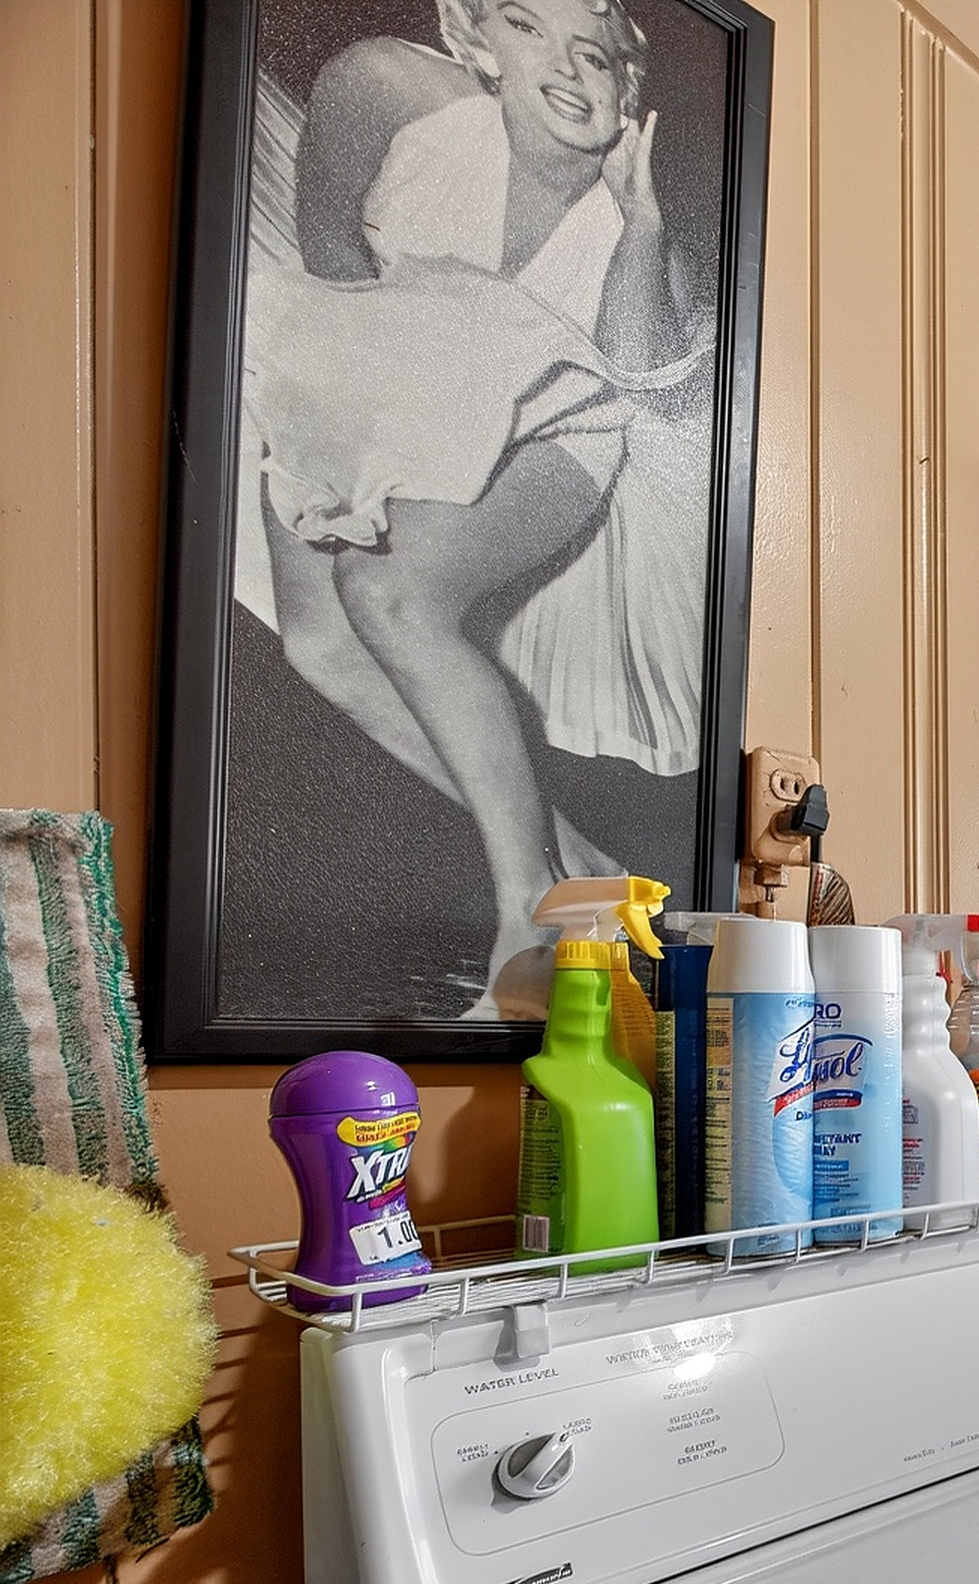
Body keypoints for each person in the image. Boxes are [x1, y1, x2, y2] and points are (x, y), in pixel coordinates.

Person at [239, 0, 713, 1015]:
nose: (566, 69)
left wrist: (642, 222)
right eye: (526, 26)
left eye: (596, 53)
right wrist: (391, 416)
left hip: (560, 429)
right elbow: (329, 246)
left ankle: (530, 906)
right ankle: (590, 875)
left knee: (394, 596)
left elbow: (644, 378)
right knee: (320, 644)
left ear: (629, 85)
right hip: (379, 373)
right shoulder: (384, 84)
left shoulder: (633, 215)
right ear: (471, 39)